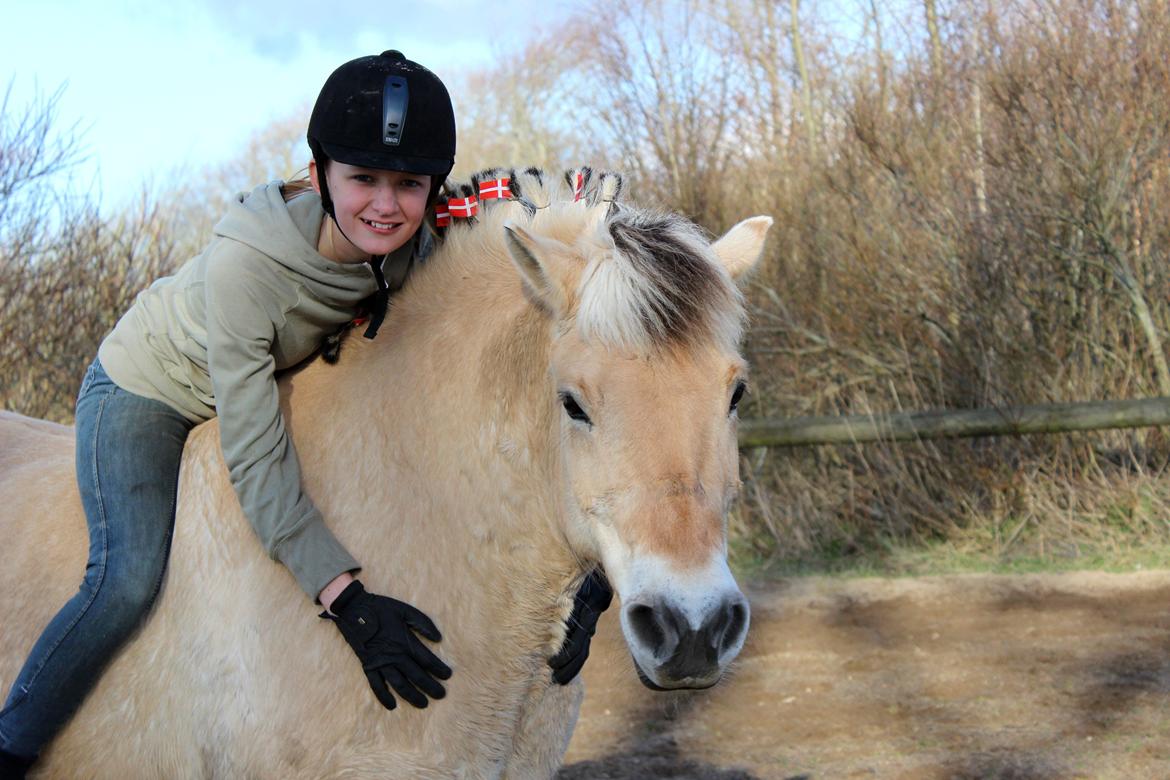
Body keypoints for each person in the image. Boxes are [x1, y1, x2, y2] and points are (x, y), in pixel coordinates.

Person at [0, 50, 609, 778]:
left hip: (273, 382)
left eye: (408, 185)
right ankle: (13, 740)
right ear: (319, 175)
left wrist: (598, 569)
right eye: (362, 180)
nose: (385, 205)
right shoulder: (247, 266)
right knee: (124, 577)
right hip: (151, 390)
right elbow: (253, 455)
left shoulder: (421, 246)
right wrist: (347, 603)